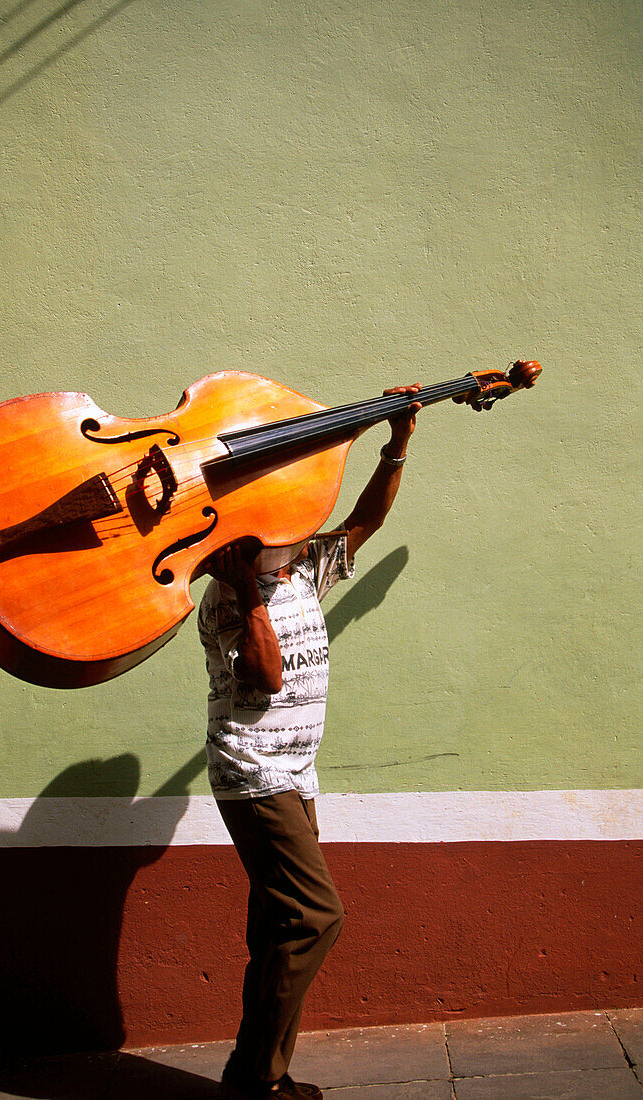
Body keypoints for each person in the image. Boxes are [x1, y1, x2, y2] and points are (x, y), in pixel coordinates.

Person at [197, 384, 422, 1100]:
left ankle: (264, 1073)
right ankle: (254, 1078)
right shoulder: (232, 599)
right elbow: (261, 679)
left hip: (295, 771)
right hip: (253, 771)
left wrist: (395, 440)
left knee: (275, 928)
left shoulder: (302, 572)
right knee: (315, 915)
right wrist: (251, 595)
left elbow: (365, 519)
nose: (278, 534)